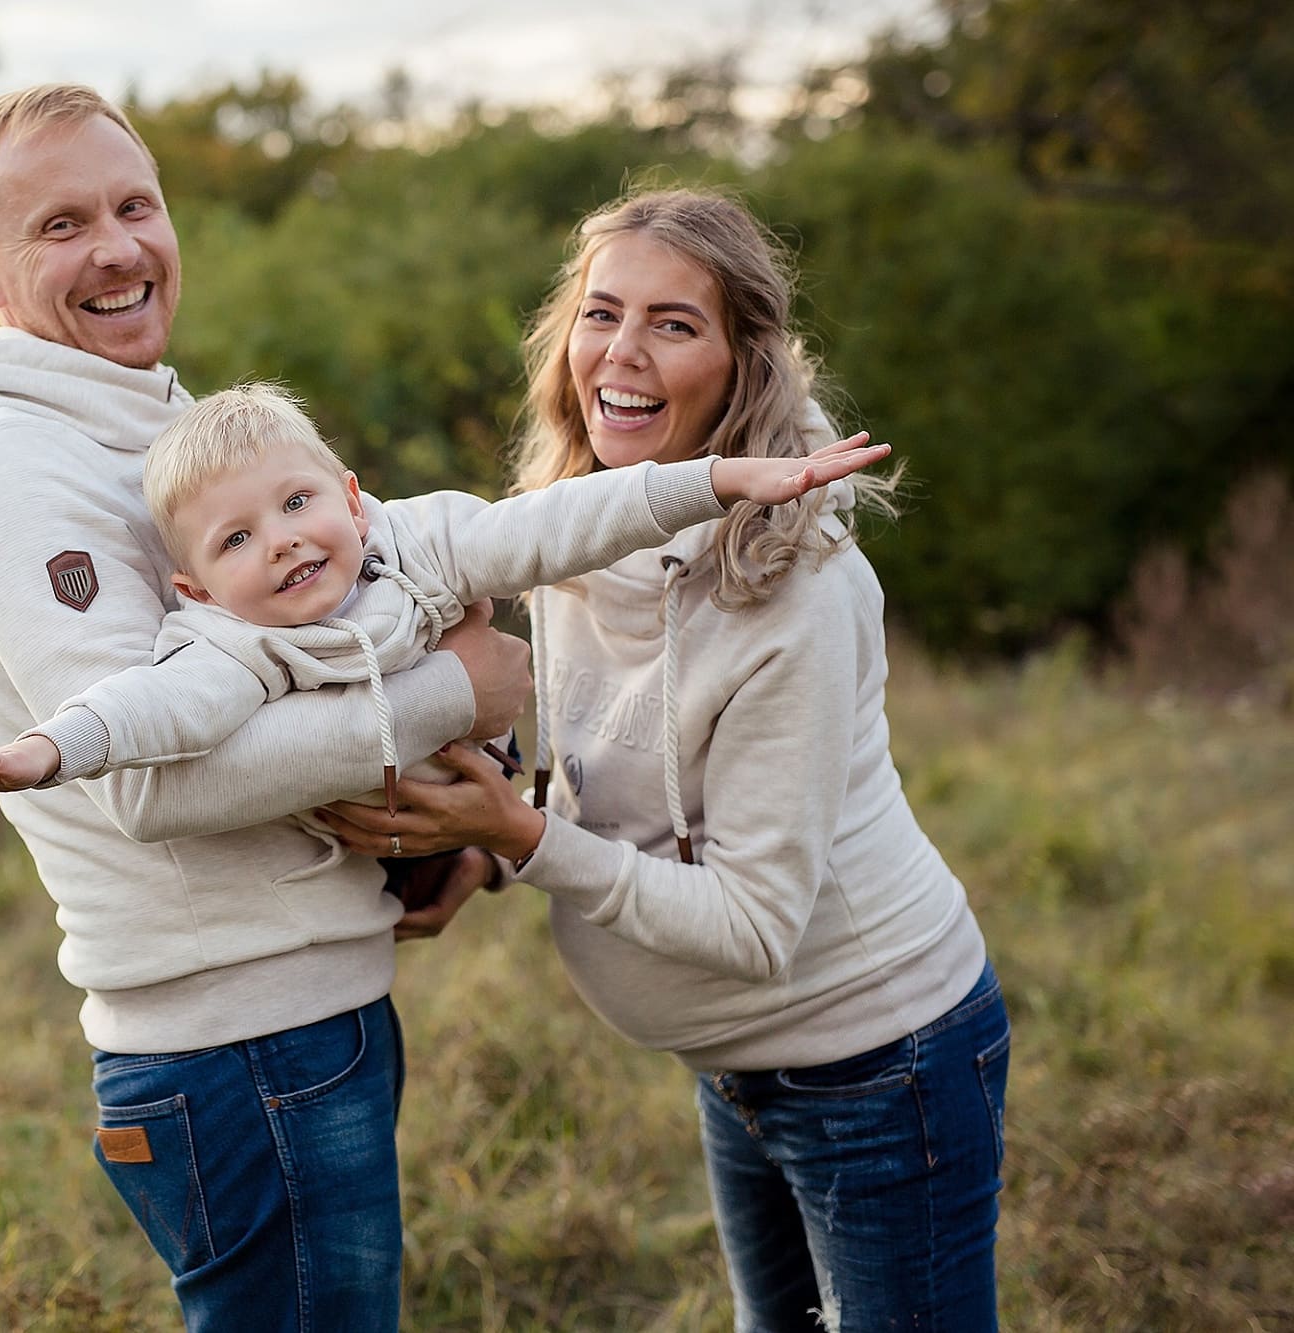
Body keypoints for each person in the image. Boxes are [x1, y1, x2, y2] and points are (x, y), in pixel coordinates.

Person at [0, 82, 543, 1331]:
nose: (118, 247)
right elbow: (150, 782)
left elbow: (319, 645)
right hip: (237, 1048)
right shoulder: (14, 466)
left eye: (135, 205)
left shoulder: (162, 429)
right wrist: (466, 685)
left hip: (296, 1021)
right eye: (61, 225)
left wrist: (468, 821)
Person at [318, 188, 1010, 1330]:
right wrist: (484, 849)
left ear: (743, 365)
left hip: (878, 1064)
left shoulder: (798, 590)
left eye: (673, 324)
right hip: (738, 1064)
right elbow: (611, 764)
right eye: (599, 314)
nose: (620, 356)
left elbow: (751, 924)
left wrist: (519, 840)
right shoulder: (566, 526)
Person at [0, 382, 884, 856]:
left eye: (294, 505)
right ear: (190, 588)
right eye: (232, 542)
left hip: (458, 815)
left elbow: (557, 524)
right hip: (367, 844)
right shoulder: (233, 645)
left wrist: (711, 481)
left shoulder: (420, 541)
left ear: (352, 496)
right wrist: (43, 751)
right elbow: (155, 711)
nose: (279, 542)